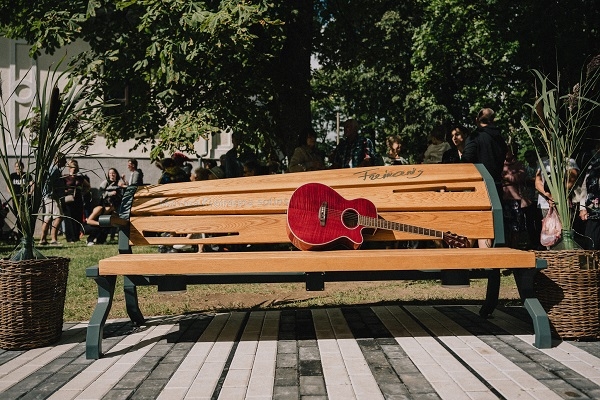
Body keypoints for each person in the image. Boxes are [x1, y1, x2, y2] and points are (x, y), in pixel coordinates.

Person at [462, 108, 508, 248]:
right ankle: (488, 263)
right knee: (489, 226)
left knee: (475, 225)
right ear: (492, 120)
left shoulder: (476, 136)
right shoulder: (500, 138)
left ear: (477, 120)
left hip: (479, 187)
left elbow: (466, 160)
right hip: (496, 186)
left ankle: (466, 263)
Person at [501, 145, 530, 249]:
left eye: (507, 150)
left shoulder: (519, 164)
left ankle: (515, 246)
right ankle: (506, 247)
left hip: (515, 199)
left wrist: (504, 177)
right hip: (503, 199)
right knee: (505, 225)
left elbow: (518, 177)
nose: (505, 153)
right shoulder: (499, 164)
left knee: (516, 225)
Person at [39, 153, 67, 245]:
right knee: (59, 217)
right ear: (58, 160)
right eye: (64, 160)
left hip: (48, 197)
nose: (65, 162)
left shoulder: (52, 169)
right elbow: (48, 183)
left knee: (48, 218)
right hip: (52, 197)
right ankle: (54, 239)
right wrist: (52, 194)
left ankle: (42, 239)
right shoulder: (54, 170)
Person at [61, 159, 91, 242]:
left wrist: (83, 192)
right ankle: (70, 237)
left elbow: (88, 186)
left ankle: (76, 236)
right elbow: (61, 188)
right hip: (69, 199)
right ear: (69, 168)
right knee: (69, 218)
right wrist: (65, 192)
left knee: (77, 217)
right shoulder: (65, 177)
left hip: (78, 199)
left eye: (75, 167)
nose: (74, 169)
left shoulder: (80, 178)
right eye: (72, 167)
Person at [578, 141, 600, 249]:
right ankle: (592, 263)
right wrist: (582, 207)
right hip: (593, 208)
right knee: (591, 239)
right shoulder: (593, 166)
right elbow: (584, 187)